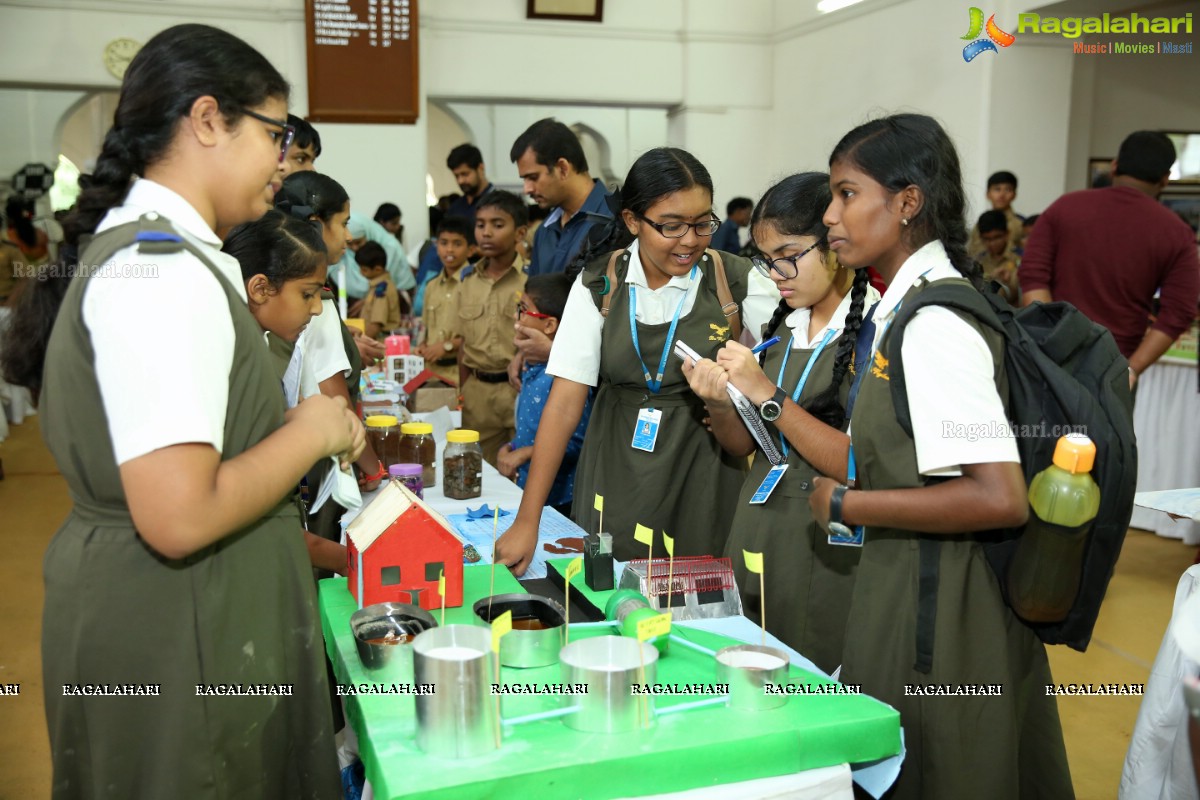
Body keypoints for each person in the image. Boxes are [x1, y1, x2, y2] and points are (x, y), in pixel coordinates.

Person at [2, 24, 363, 797]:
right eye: (277, 134)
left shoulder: (164, 253)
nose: (285, 159)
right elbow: (179, 514)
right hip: (179, 632)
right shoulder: (161, 269)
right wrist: (310, 430)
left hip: (188, 616)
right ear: (207, 121)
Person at [783, 113, 1071, 797]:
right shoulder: (904, 308)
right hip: (907, 585)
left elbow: (997, 494)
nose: (830, 215)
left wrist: (846, 501)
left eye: (847, 193)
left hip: (943, 614)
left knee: (942, 770)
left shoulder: (936, 325)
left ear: (907, 201)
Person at [494, 147, 780, 574]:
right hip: (613, 470)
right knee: (608, 592)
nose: (690, 240)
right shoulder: (599, 284)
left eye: (703, 223)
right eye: (671, 226)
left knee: (700, 599)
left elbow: (793, 360)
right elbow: (565, 401)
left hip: (703, 472)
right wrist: (527, 519)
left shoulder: (735, 280)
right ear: (632, 221)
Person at [682, 173, 879, 674]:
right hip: (762, 532)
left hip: (825, 548)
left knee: (810, 684)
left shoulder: (877, 335)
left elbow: (856, 464)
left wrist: (768, 394)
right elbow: (743, 446)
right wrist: (723, 402)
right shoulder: (784, 328)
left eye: (789, 255)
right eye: (767, 261)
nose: (777, 274)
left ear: (834, 244)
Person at [1020, 131, 1200, 389]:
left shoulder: (1065, 208)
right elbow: (1178, 313)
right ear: (1165, 179)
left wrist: (1050, 343)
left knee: (1041, 431)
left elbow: (1033, 276)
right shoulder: (1177, 233)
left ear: (1115, 166)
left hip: (1049, 362)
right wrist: (1132, 368)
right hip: (1114, 368)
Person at [224, 209, 348, 576]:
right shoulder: (233, 363)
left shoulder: (256, 346)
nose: (315, 309)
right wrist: (359, 564)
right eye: (307, 294)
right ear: (260, 288)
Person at [498, 273, 593, 518]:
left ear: (549, 325)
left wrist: (526, 453)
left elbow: (577, 443)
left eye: (523, 310)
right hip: (527, 486)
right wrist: (511, 447)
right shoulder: (532, 367)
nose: (515, 317)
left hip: (559, 498)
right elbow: (528, 429)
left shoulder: (565, 379)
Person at [452, 190, 528, 465]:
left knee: (525, 471)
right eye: (481, 224)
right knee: (478, 472)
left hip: (521, 389)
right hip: (478, 393)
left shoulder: (530, 280)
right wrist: (464, 390)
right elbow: (463, 343)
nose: (486, 233)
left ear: (519, 233)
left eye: (498, 225)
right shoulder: (467, 281)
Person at [510, 118, 613, 278]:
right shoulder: (544, 230)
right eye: (524, 179)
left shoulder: (615, 219)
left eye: (533, 177)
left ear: (563, 168)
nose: (527, 189)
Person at [415, 214, 472, 385]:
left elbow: (480, 335)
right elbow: (426, 328)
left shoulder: (475, 284)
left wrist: (448, 346)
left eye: (457, 244)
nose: (449, 250)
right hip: (431, 372)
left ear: (470, 249)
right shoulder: (431, 285)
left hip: (460, 373)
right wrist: (422, 346)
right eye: (444, 243)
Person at [967, 170, 1024, 254]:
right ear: (988, 194)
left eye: (1008, 190)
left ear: (1014, 194)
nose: (1002, 195)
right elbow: (972, 252)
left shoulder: (1021, 225)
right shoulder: (979, 225)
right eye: (997, 189)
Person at [356, 240, 401, 339]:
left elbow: (376, 325)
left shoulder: (382, 289)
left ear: (378, 269)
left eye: (364, 270)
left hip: (380, 342)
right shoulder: (377, 286)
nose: (360, 272)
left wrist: (358, 343)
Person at [973, 209, 1020, 301]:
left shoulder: (1019, 258)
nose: (992, 243)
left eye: (997, 237)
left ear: (1007, 234)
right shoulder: (978, 261)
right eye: (987, 239)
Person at [445, 143, 494, 227]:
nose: (460, 181)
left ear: (480, 169)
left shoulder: (499, 203)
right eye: (456, 176)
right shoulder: (455, 208)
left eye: (465, 174)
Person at [4, 196, 50, 267]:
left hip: (24, 273)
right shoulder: (39, 232)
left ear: (10, 219)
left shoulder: (7, 236)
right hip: (47, 271)